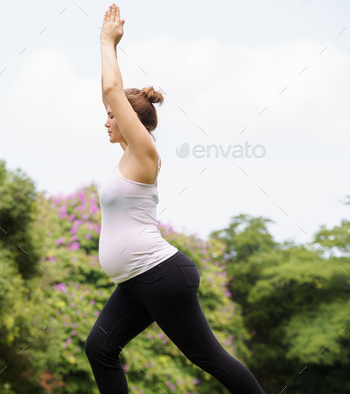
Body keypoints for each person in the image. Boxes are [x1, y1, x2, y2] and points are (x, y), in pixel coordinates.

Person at [84, 4, 265, 393]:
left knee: (208, 357)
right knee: (99, 348)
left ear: (132, 122)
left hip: (160, 275)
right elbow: (111, 95)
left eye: (112, 116)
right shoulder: (125, 161)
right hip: (136, 280)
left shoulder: (144, 153)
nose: (106, 120)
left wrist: (107, 42)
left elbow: (113, 92)